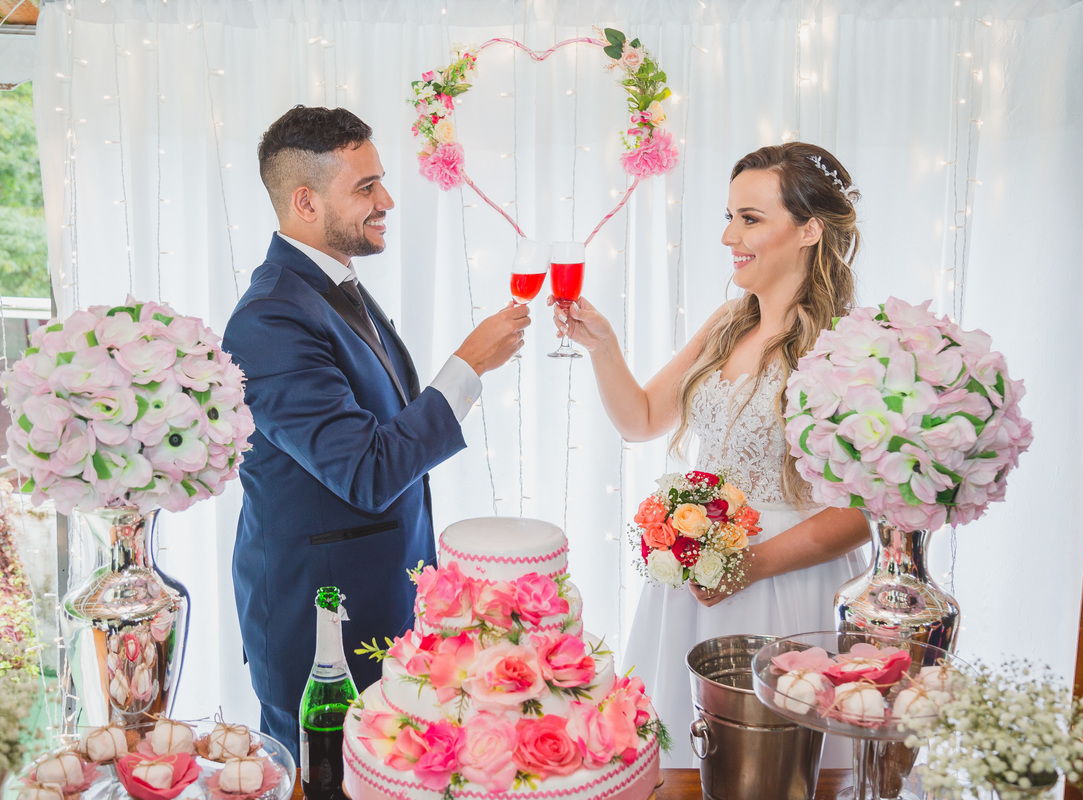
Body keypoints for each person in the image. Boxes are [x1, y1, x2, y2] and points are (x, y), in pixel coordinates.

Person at [222, 106, 529, 758]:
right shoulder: (271, 317)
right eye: (366, 187)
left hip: (388, 605)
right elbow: (366, 471)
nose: (386, 200)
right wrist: (467, 366)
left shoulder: (331, 287)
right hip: (323, 625)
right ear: (305, 202)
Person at [553, 142, 871, 767]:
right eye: (730, 216)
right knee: (677, 761)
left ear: (809, 229)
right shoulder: (729, 321)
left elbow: (865, 512)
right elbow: (641, 419)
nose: (730, 234)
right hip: (694, 583)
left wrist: (750, 565)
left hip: (787, 585)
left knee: (780, 767)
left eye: (750, 218)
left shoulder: (848, 348)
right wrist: (602, 347)